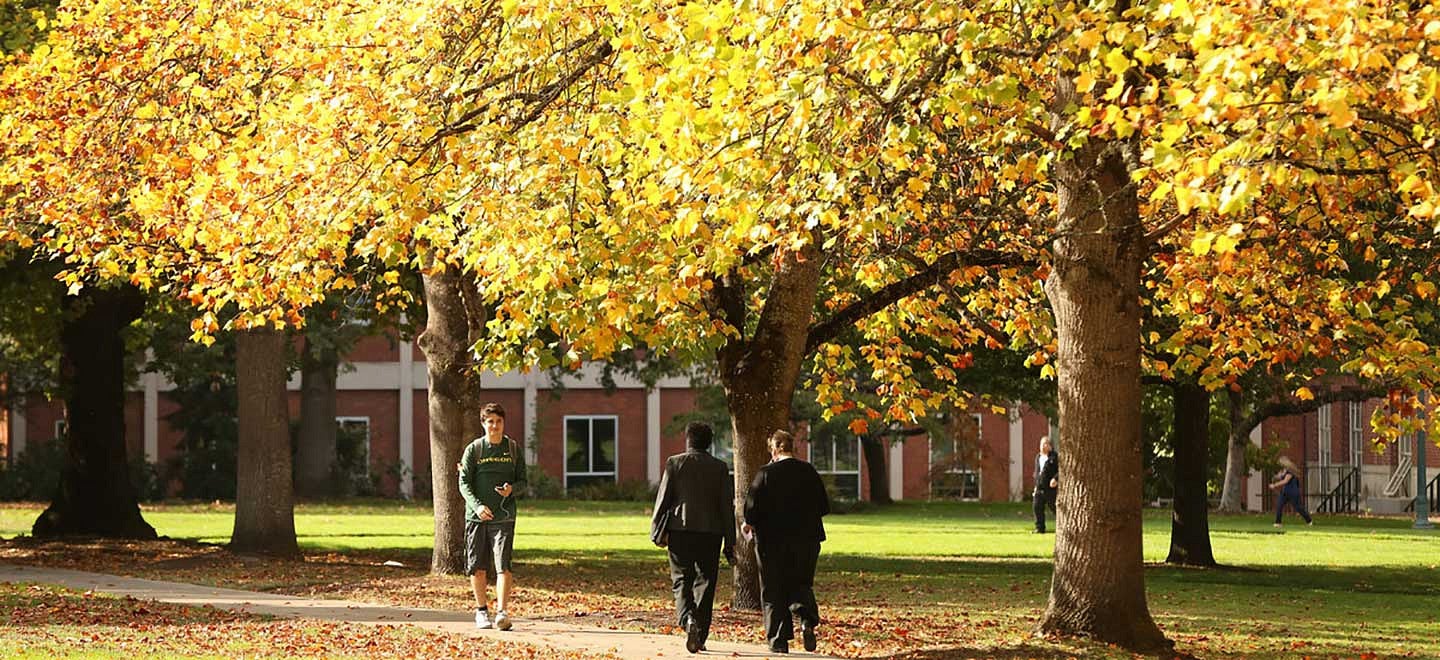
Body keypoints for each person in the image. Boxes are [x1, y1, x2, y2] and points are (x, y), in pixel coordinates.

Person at [651, 422, 737, 654]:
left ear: (688, 440)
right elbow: (725, 506)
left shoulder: (675, 463)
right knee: (706, 582)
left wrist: (655, 530)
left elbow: (664, 499)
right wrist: (731, 540)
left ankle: (687, 619)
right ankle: (700, 632)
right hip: (711, 532)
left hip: (680, 531)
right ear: (709, 443)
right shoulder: (719, 467)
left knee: (681, 580)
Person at [742, 430, 829, 655]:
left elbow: (751, 508)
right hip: (807, 539)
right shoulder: (808, 471)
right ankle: (806, 620)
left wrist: (749, 524)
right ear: (791, 447)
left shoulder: (765, 473)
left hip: (772, 541)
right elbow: (824, 507)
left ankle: (778, 640)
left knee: (773, 588)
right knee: (801, 582)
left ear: (774, 448)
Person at [459, 402, 527, 630]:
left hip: (504, 516)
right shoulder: (474, 449)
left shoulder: (513, 449)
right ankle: (481, 611)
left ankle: (502, 612)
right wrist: (477, 506)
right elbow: (464, 483)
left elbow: (523, 482)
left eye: (499, 422)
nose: (495, 426)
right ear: (483, 424)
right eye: (490, 422)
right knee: (477, 566)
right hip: (477, 517)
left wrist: (512, 490)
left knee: (503, 566)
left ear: (503, 423)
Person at [1269, 455, 1313, 528]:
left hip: (1293, 492)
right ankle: (1278, 523)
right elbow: (1279, 476)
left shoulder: (1290, 471)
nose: (1280, 464)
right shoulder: (1283, 470)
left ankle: (1309, 520)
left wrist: (1275, 485)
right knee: (1279, 505)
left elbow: (1285, 481)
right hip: (1285, 492)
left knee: (1298, 507)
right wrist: (1274, 477)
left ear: (1285, 463)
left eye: (1280, 463)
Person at [1032, 436, 1059, 534]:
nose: (1043, 446)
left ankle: (1061, 527)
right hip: (1039, 487)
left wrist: (1055, 479)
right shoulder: (1038, 457)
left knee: (1054, 508)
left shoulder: (1054, 457)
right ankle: (1039, 528)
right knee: (1037, 507)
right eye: (1042, 444)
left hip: (1050, 488)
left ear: (1050, 446)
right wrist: (1035, 486)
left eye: (1046, 444)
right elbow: (1037, 472)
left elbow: (1060, 470)